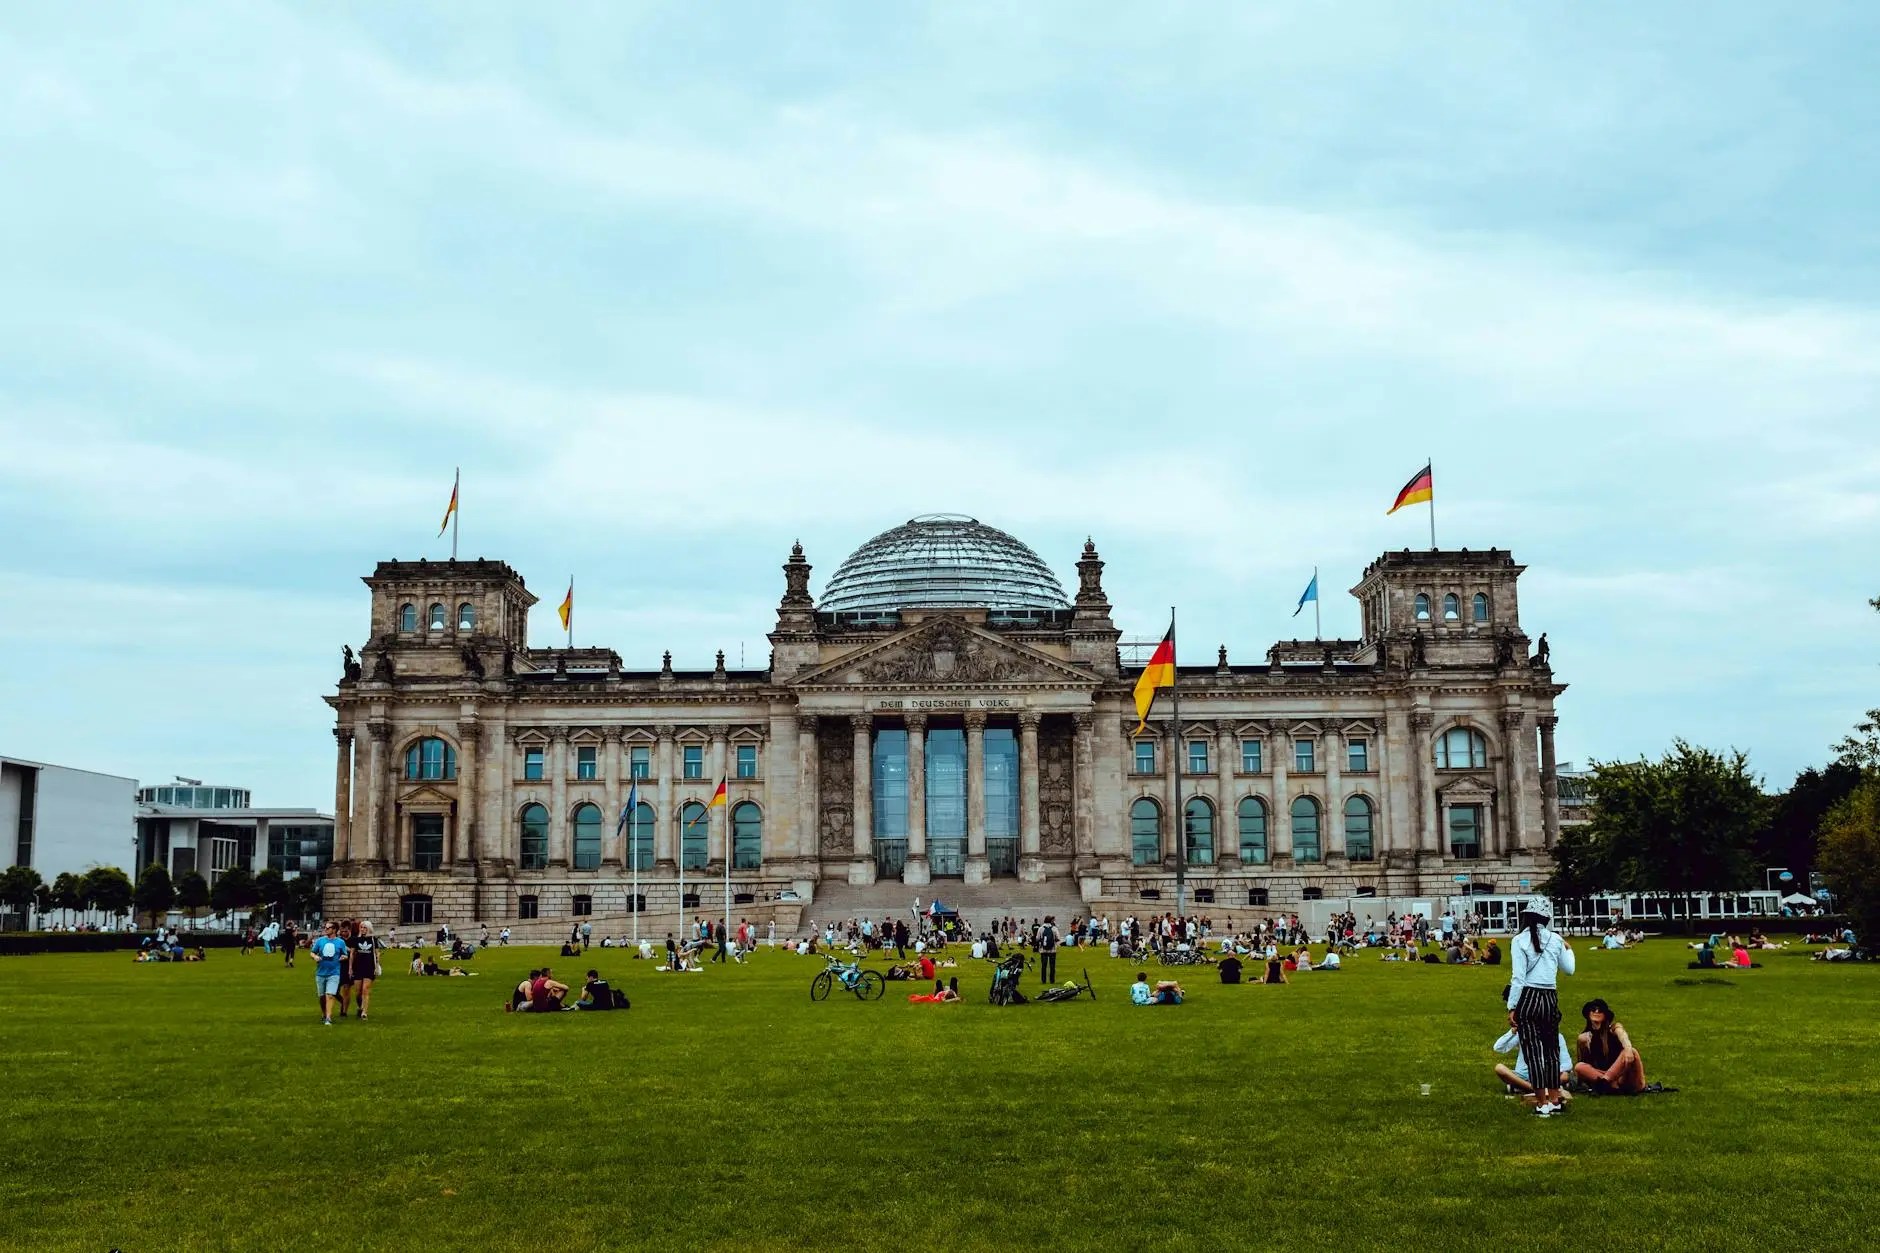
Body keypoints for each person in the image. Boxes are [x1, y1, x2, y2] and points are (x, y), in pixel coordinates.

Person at [1506, 899, 1575, 1117]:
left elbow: (1518, 978)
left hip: (1529, 997)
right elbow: (1569, 970)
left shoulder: (1519, 940)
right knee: (1552, 1050)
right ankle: (1555, 1099)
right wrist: (1569, 949)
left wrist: (1512, 1006)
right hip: (1550, 997)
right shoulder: (1556, 939)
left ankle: (1542, 1102)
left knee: (1533, 1051)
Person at [1574, 999, 1646, 1095]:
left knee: (1631, 1051)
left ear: (1605, 1015)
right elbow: (1584, 1065)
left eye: (1600, 1010)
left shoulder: (1614, 1028)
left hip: (1626, 1077)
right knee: (1579, 1067)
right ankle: (1609, 1085)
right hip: (1606, 1075)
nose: (1596, 1012)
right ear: (1588, 1014)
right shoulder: (1585, 1038)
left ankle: (1604, 1083)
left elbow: (1623, 1035)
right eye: (1593, 1009)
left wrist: (1628, 1049)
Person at [310, 922, 349, 1026]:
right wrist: (315, 957)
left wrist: (343, 957)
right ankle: (324, 1014)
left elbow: (345, 954)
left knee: (330, 995)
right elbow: (312, 952)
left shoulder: (340, 942)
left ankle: (328, 1017)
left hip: (334, 973)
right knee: (322, 997)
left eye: (328, 928)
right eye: (325, 928)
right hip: (321, 972)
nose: (326, 929)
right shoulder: (320, 941)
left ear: (334, 930)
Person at [350, 921, 381, 1020]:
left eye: (364, 927)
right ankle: (360, 1007)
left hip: (369, 967)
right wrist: (350, 968)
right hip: (358, 967)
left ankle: (364, 1012)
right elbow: (352, 954)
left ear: (369, 928)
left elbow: (377, 954)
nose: (362, 929)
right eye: (361, 927)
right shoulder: (356, 939)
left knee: (365, 989)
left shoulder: (373, 940)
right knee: (358, 992)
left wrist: (376, 966)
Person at [1038, 915, 1059, 984]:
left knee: (1044, 966)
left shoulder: (1041, 928)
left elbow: (1037, 938)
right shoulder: (1054, 928)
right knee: (1052, 966)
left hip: (1043, 949)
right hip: (1052, 950)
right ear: (1051, 921)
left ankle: (1043, 980)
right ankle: (1052, 980)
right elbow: (1058, 938)